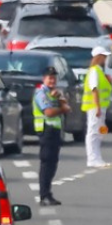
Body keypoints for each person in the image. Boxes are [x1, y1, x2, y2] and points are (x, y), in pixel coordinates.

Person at [32, 66, 69, 206]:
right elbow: (48, 112)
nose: (52, 80)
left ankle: (48, 193)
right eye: (49, 78)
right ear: (44, 79)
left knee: (53, 164)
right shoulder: (41, 94)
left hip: (55, 131)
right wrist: (61, 109)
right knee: (47, 164)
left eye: (54, 77)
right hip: (46, 131)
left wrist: (60, 98)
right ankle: (43, 196)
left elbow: (68, 108)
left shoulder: (54, 93)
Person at [82, 46, 112, 167]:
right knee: (93, 132)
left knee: (100, 132)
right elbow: (94, 90)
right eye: (104, 56)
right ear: (98, 57)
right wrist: (98, 108)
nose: (105, 59)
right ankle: (92, 158)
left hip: (99, 107)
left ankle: (97, 157)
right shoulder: (94, 71)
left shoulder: (99, 71)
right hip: (94, 107)